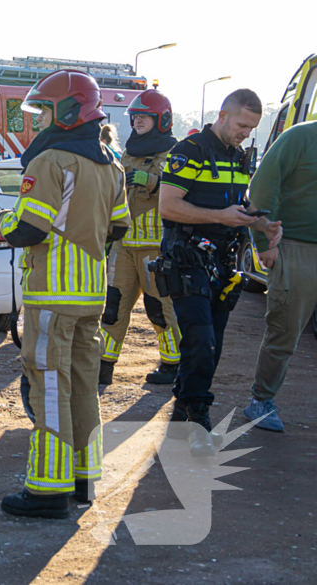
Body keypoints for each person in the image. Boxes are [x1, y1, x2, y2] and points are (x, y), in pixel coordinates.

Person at [0, 70, 130, 519]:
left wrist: (1, 224)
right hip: (91, 291)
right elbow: (121, 226)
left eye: (45, 111)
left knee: (50, 386)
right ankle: (83, 478)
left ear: (69, 111)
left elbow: (28, 227)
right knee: (83, 385)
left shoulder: (50, 160)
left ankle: (48, 490)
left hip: (53, 293)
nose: (39, 121)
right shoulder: (112, 162)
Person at [155, 89, 282, 456]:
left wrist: (263, 224)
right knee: (201, 341)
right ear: (223, 115)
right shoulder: (189, 151)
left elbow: (238, 204)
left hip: (222, 265)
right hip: (187, 260)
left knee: (213, 345)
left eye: (252, 128)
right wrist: (219, 217)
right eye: (242, 125)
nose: (246, 133)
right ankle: (198, 422)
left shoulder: (238, 157)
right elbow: (169, 207)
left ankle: (181, 417)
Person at [98, 90, 182, 386]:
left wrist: (154, 181)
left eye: (144, 117)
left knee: (160, 309)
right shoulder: (128, 153)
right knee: (112, 308)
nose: (137, 122)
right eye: (135, 118)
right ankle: (103, 364)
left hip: (155, 248)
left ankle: (172, 365)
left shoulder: (174, 152)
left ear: (162, 120)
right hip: (123, 246)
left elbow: (181, 191)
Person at [242, 119, 317, 432]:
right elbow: (262, 186)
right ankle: (262, 400)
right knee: (285, 330)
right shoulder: (300, 137)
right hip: (297, 246)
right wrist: (263, 241)